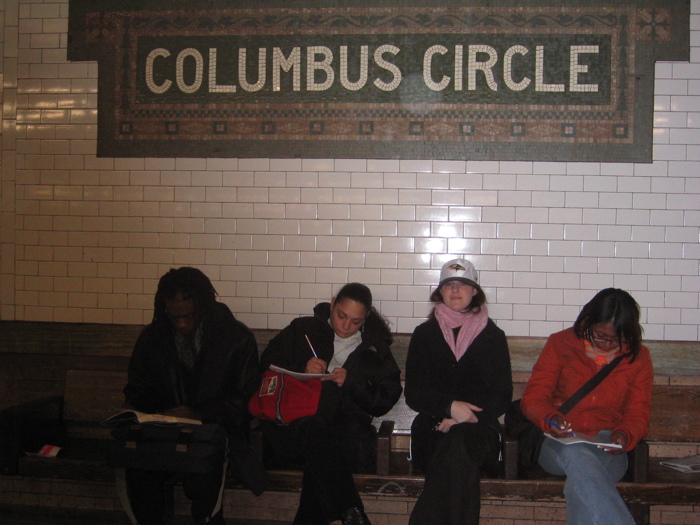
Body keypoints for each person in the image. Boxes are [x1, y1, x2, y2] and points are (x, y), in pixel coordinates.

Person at [122, 267, 265, 525]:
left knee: (205, 467)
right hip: (164, 431)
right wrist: (161, 413)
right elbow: (137, 390)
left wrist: (200, 414)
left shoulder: (235, 338)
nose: (181, 323)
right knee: (138, 469)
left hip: (216, 431)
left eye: (188, 316)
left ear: (203, 307)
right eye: (173, 316)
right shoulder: (153, 338)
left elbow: (247, 400)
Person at [258, 282, 402, 525]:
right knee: (319, 434)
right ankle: (352, 510)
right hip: (296, 427)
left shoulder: (375, 347)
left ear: (366, 317)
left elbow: (385, 399)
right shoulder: (303, 329)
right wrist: (301, 367)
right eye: (341, 315)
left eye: (355, 321)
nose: (345, 326)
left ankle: (350, 513)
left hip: (345, 435)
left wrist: (352, 382)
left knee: (322, 445)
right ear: (333, 303)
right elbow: (266, 365)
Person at [521, 288, 653, 525]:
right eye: (601, 336)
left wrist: (624, 434)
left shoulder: (639, 357)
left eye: (618, 339)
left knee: (580, 483)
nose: (608, 344)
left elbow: (638, 412)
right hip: (559, 442)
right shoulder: (561, 344)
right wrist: (552, 420)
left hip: (607, 447)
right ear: (588, 322)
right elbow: (533, 398)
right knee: (576, 453)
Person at [405, 258, 513, 525]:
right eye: (449, 284)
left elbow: (501, 395)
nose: (455, 290)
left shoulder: (493, 336)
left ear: (475, 290)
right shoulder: (424, 334)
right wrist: (449, 407)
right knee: (456, 454)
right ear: (439, 292)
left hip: (479, 429)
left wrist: (463, 417)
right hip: (432, 429)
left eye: (463, 284)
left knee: (459, 443)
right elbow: (414, 392)